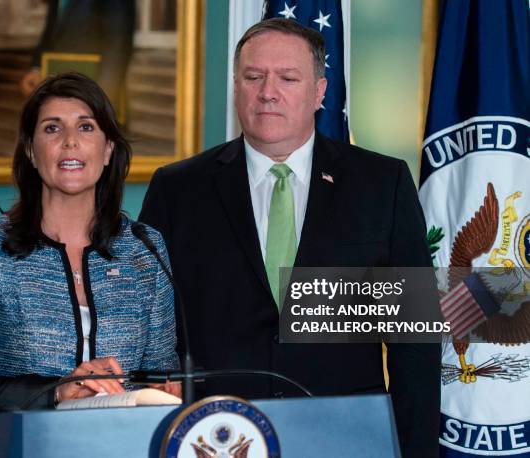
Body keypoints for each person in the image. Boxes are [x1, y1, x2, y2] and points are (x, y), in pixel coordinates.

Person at [139, 18, 440, 456]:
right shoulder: (178, 189)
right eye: (253, 77)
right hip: (215, 438)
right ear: (237, 86)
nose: (267, 92)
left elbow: (414, 346)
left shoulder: (381, 184)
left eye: (287, 78)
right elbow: (152, 333)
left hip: (344, 439)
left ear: (319, 92)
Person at [0, 72, 179, 418]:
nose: (70, 141)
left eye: (86, 127)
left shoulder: (144, 248)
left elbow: (161, 374)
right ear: (31, 151)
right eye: (52, 128)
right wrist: (56, 392)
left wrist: (165, 387)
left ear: (108, 150)